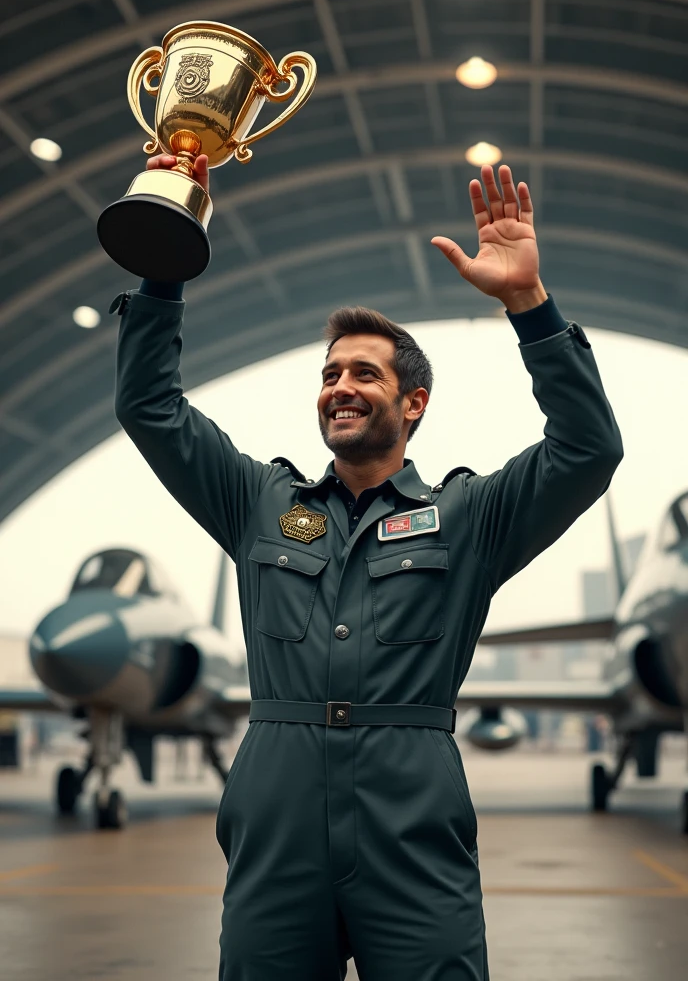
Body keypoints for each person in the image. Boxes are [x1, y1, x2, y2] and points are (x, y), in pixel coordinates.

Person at [111, 152, 623, 981]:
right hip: (276, 818)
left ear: (413, 402)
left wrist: (528, 305)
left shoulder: (470, 517)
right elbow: (150, 408)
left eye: (363, 373)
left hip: (411, 820)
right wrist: (164, 266)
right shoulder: (257, 503)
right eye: (329, 374)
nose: (339, 388)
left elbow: (589, 449)